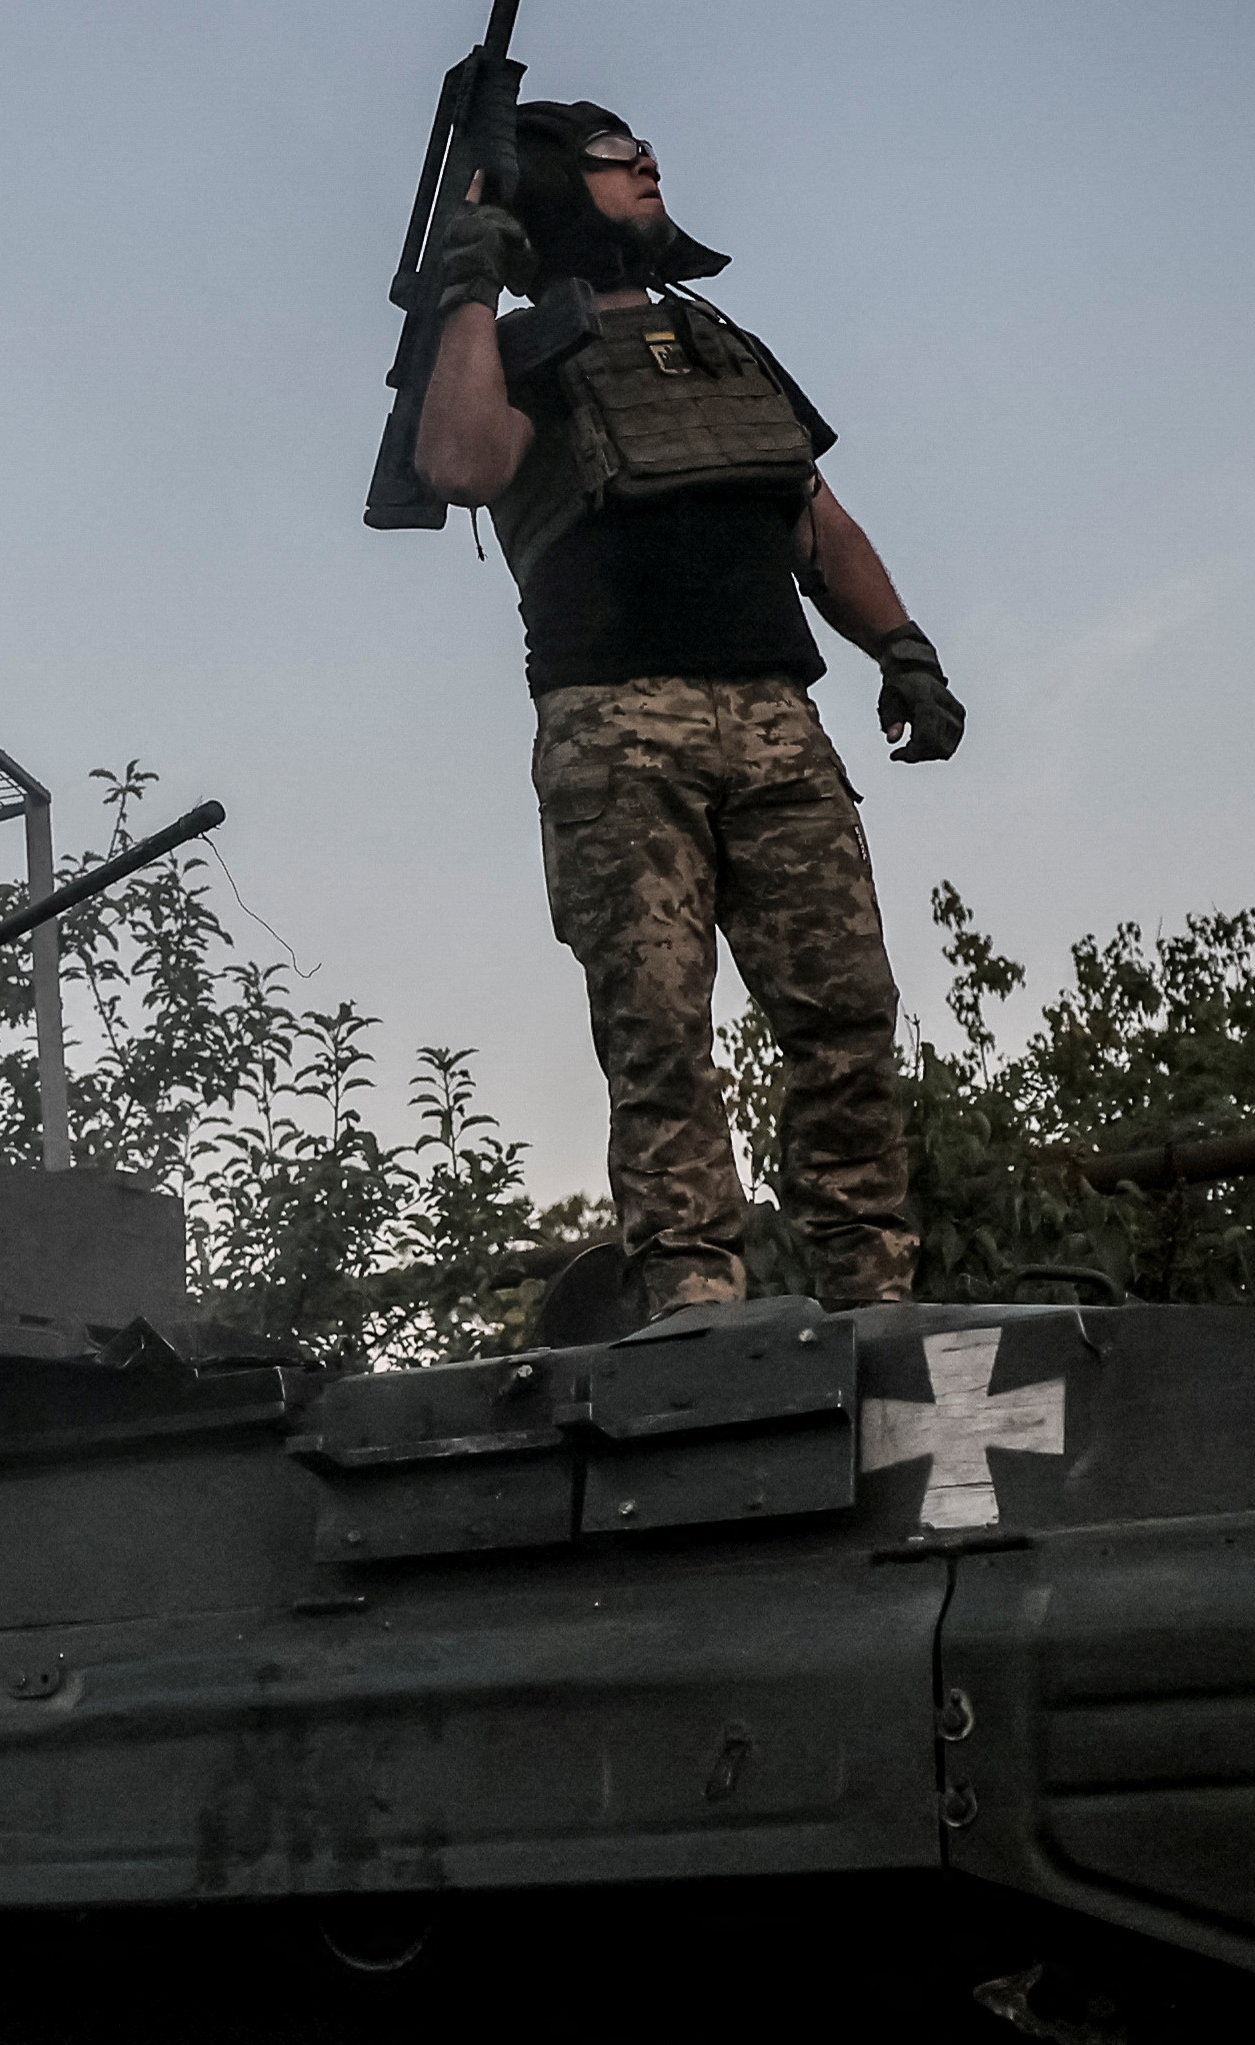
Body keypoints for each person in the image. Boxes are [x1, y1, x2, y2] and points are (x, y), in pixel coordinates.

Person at [409, 99, 959, 1319]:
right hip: (618, 724)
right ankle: (694, 1292)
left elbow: (812, 515)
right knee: (659, 1028)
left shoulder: (719, 343)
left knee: (849, 1016)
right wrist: (466, 293)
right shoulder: (521, 348)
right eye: (610, 154)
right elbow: (459, 464)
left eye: (645, 149)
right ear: (556, 183)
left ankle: (874, 1285)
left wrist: (902, 645)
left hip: (777, 715)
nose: (643, 161)